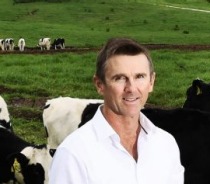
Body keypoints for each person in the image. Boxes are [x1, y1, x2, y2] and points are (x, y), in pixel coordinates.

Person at [49, 37, 185, 184]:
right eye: (119, 78)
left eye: (139, 76)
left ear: (151, 82)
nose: (131, 89)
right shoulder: (73, 154)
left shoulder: (166, 144)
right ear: (100, 85)